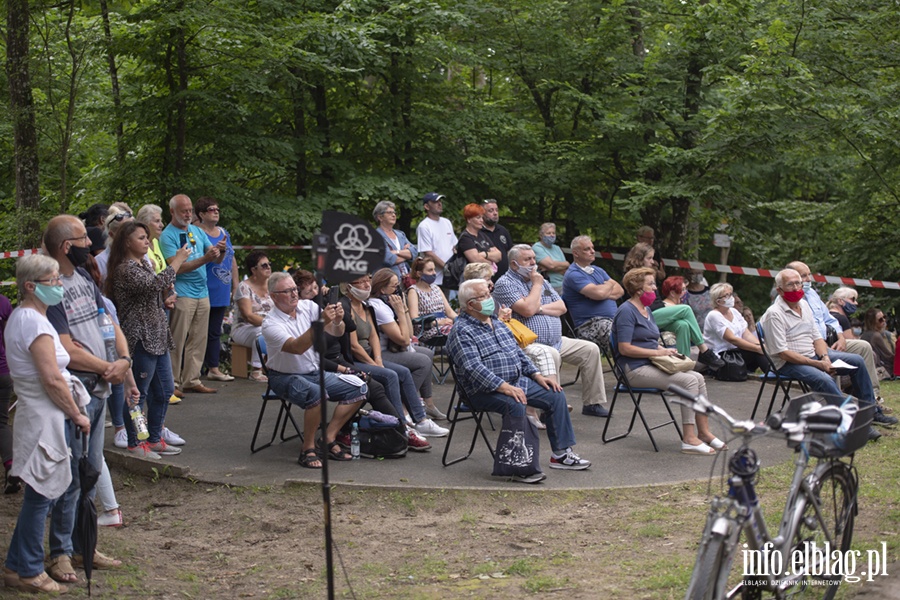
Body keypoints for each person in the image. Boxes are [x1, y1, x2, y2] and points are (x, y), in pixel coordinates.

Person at [43, 215, 129, 582]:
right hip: (78, 388)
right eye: (82, 238)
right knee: (72, 476)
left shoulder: (85, 279)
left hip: (101, 384)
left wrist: (123, 360)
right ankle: (60, 552)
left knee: (91, 473)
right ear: (66, 247)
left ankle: (84, 545)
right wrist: (105, 367)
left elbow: (109, 323)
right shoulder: (52, 289)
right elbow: (64, 348)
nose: (89, 244)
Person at [2, 254, 91, 594]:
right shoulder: (33, 322)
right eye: (52, 281)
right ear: (30, 286)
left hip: (41, 413)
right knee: (40, 497)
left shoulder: (31, 318)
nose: (59, 286)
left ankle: (15, 566)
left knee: (43, 496)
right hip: (44, 416)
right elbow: (52, 379)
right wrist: (76, 413)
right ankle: (28, 571)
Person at [447, 278, 591, 479]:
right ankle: (519, 467)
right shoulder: (461, 331)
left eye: (489, 294)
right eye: (484, 296)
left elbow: (518, 353)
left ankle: (561, 455)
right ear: (470, 305)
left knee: (555, 394)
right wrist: (504, 387)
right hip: (482, 390)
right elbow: (473, 368)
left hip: (516, 382)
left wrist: (536, 375)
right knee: (516, 404)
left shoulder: (496, 322)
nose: (490, 299)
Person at [760, 268, 894, 441]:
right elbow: (783, 354)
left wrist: (825, 357)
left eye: (798, 283)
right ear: (779, 290)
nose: (796, 287)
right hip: (789, 363)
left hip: (813, 356)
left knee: (858, 361)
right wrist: (818, 364)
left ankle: (868, 414)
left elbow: (817, 338)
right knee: (824, 379)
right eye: (790, 284)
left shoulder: (804, 304)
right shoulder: (774, 314)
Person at [613, 267, 724, 455]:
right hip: (632, 369)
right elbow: (625, 348)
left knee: (697, 377)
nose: (655, 288)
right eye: (650, 284)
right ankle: (689, 439)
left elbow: (647, 341)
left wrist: (663, 350)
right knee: (688, 381)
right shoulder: (626, 311)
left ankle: (704, 432)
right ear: (638, 288)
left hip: (649, 363)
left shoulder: (646, 309)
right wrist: (656, 353)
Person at [261, 272, 366, 468]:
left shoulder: (308, 307)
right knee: (318, 395)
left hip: (314, 372)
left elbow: (336, 332)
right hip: (284, 376)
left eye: (294, 289)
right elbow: (296, 348)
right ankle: (307, 448)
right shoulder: (270, 323)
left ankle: (327, 438)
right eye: (287, 291)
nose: (294, 294)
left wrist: (337, 321)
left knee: (359, 387)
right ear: (274, 296)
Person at [294, 271, 411, 448]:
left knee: (376, 383)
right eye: (309, 291)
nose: (317, 292)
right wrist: (345, 369)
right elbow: (312, 358)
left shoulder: (322, 308)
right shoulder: (302, 319)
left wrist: (336, 313)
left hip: (339, 361)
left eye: (317, 287)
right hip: (323, 367)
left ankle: (398, 427)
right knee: (371, 383)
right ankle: (397, 428)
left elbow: (350, 327)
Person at [107, 220, 192, 458]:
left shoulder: (144, 263)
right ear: (126, 242)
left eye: (147, 237)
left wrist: (163, 301)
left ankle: (154, 438)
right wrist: (178, 260)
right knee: (138, 394)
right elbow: (154, 284)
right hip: (141, 337)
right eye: (141, 238)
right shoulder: (126, 268)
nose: (147, 241)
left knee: (164, 390)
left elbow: (150, 293)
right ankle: (136, 441)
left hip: (157, 335)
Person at [493, 244, 609, 418]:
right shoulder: (505, 283)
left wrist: (538, 307)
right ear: (515, 264)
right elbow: (526, 310)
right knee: (551, 354)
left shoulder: (543, 280)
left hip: (556, 340)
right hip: (528, 344)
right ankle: (553, 405)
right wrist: (536, 286)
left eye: (534, 258)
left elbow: (562, 307)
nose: (533, 263)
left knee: (590, 349)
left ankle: (593, 403)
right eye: (528, 259)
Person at [339, 273, 434, 450]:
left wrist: (378, 359)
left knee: (403, 372)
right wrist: (373, 364)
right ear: (348, 286)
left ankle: (419, 419)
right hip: (352, 361)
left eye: (368, 279)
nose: (367, 284)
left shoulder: (367, 307)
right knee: (390, 375)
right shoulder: (345, 307)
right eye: (362, 281)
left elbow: (374, 336)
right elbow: (353, 346)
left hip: (370, 356)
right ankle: (400, 425)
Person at [786, 261, 886, 407]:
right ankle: (838, 404)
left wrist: (841, 337)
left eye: (809, 274)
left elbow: (829, 319)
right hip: (811, 348)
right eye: (804, 276)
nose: (809, 279)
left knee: (863, 347)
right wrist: (824, 352)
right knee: (833, 361)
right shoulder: (787, 305)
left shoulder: (812, 294)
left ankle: (873, 401)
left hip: (828, 342)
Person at [160, 194, 225, 396]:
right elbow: (175, 268)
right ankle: (172, 382)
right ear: (172, 212)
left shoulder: (197, 230)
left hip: (202, 292)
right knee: (177, 339)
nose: (188, 214)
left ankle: (192, 379)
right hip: (182, 293)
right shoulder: (167, 235)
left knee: (198, 338)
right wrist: (206, 258)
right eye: (183, 210)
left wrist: (219, 252)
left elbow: (215, 261)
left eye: (189, 210)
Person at [369, 268, 449, 429]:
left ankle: (428, 404)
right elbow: (404, 340)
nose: (398, 289)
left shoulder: (389, 303)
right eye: (394, 286)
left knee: (426, 353)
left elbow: (411, 334)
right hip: (381, 352)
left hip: (394, 348)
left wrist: (403, 309)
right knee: (422, 361)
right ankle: (409, 404)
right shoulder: (378, 306)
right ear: (382, 289)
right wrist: (400, 311)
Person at [195, 197, 238, 382]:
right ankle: (195, 369)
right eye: (211, 209)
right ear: (201, 214)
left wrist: (236, 284)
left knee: (215, 330)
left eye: (217, 209)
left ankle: (213, 367)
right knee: (197, 331)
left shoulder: (223, 232)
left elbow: (232, 258)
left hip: (222, 287)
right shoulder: (197, 233)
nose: (216, 211)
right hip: (203, 287)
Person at [562, 235, 622, 354]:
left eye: (592, 248)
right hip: (589, 327)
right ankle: (632, 368)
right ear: (576, 253)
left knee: (639, 328)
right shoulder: (573, 274)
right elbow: (599, 294)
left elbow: (620, 291)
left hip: (612, 321)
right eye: (587, 249)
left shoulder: (597, 270)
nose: (592, 251)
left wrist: (602, 292)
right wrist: (608, 286)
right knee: (623, 333)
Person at [650, 276, 724, 368]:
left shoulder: (678, 308)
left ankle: (684, 362)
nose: (686, 292)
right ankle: (704, 350)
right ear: (672, 293)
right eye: (683, 289)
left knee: (683, 325)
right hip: (651, 320)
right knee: (687, 309)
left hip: (660, 322)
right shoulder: (668, 306)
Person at [702, 283, 768, 374]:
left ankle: (774, 372)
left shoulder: (734, 312)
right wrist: (757, 348)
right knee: (757, 352)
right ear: (718, 301)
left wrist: (760, 345)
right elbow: (732, 339)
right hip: (722, 356)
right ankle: (775, 375)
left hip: (736, 352)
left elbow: (746, 333)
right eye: (727, 295)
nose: (731, 297)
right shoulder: (714, 315)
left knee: (761, 350)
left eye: (731, 294)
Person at [230, 251, 274, 382]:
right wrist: (271, 324)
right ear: (253, 270)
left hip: (267, 326)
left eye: (269, 264)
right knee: (263, 332)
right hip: (243, 328)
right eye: (264, 265)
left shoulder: (273, 285)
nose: (269, 267)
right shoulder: (244, 287)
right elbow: (248, 316)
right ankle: (256, 370)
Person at [407, 256, 456, 342]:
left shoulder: (436, 288)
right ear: (419, 274)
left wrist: (460, 320)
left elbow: (449, 311)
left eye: (434, 269)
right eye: (430, 270)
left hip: (445, 325)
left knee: (465, 328)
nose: (434, 273)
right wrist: (437, 323)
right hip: (427, 328)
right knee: (458, 332)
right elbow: (414, 318)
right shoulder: (413, 291)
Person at [415, 192, 457, 288]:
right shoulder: (424, 226)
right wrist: (446, 267)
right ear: (426, 206)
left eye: (440, 201)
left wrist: (455, 266)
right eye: (435, 202)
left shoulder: (447, 222)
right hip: (433, 278)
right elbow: (428, 253)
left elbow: (454, 245)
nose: (439, 204)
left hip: (450, 277)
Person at [1, 293, 18, 494]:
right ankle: (11, 465)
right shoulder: (3, 302)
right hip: (3, 372)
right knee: (1, 423)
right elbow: (10, 339)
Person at [374, 200, 418, 278]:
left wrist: (396, 252)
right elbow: (389, 259)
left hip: (406, 279)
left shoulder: (400, 234)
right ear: (380, 217)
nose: (394, 215)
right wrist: (406, 255)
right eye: (389, 213)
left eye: (394, 212)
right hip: (387, 281)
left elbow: (414, 252)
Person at [94, 204, 133, 284]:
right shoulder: (100, 261)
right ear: (111, 234)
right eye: (126, 231)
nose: (131, 235)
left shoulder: (141, 254)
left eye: (133, 230)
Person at [457, 203, 501, 272]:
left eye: (482, 217)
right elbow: (476, 260)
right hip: (471, 279)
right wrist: (491, 263)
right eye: (478, 218)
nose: (482, 220)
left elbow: (498, 255)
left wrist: (484, 254)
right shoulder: (465, 237)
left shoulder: (483, 235)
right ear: (469, 220)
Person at [480, 199, 514, 278]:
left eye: (496, 210)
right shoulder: (478, 232)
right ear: (482, 214)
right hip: (486, 277)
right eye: (490, 211)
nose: (495, 213)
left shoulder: (502, 230)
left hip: (505, 277)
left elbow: (510, 251)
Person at [533, 223, 570, 294]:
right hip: (546, 287)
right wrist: (557, 266)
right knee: (550, 304)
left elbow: (566, 268)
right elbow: (551, 265)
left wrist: (566, 264)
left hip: (563, 285)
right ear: (541, 235)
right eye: (548, 233)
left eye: (553, 233)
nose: (552, 235)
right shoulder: (537, 247)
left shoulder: (557, 248)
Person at [861, 308, 895, 376]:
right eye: (880, 320)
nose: (884, 320)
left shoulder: (864, 335)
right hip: (882, 370)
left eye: (884, 317)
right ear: (873, 322)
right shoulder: (876, 335)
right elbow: (888, 355)